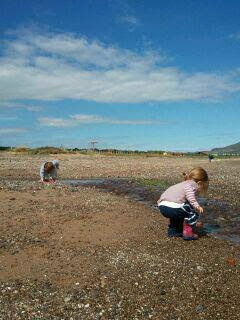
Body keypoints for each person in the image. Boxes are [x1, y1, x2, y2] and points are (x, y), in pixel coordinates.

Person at [157, 167, 209, 240]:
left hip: (162, 206)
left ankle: (173, 232)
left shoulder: (183, 184)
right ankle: (188, 233)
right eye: (202, 187)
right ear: (199, 183)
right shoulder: (191, 186)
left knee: (179, 213)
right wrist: (197, 206)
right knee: (192, 211)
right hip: (173, 207)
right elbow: (191, 199)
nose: (200, 190)